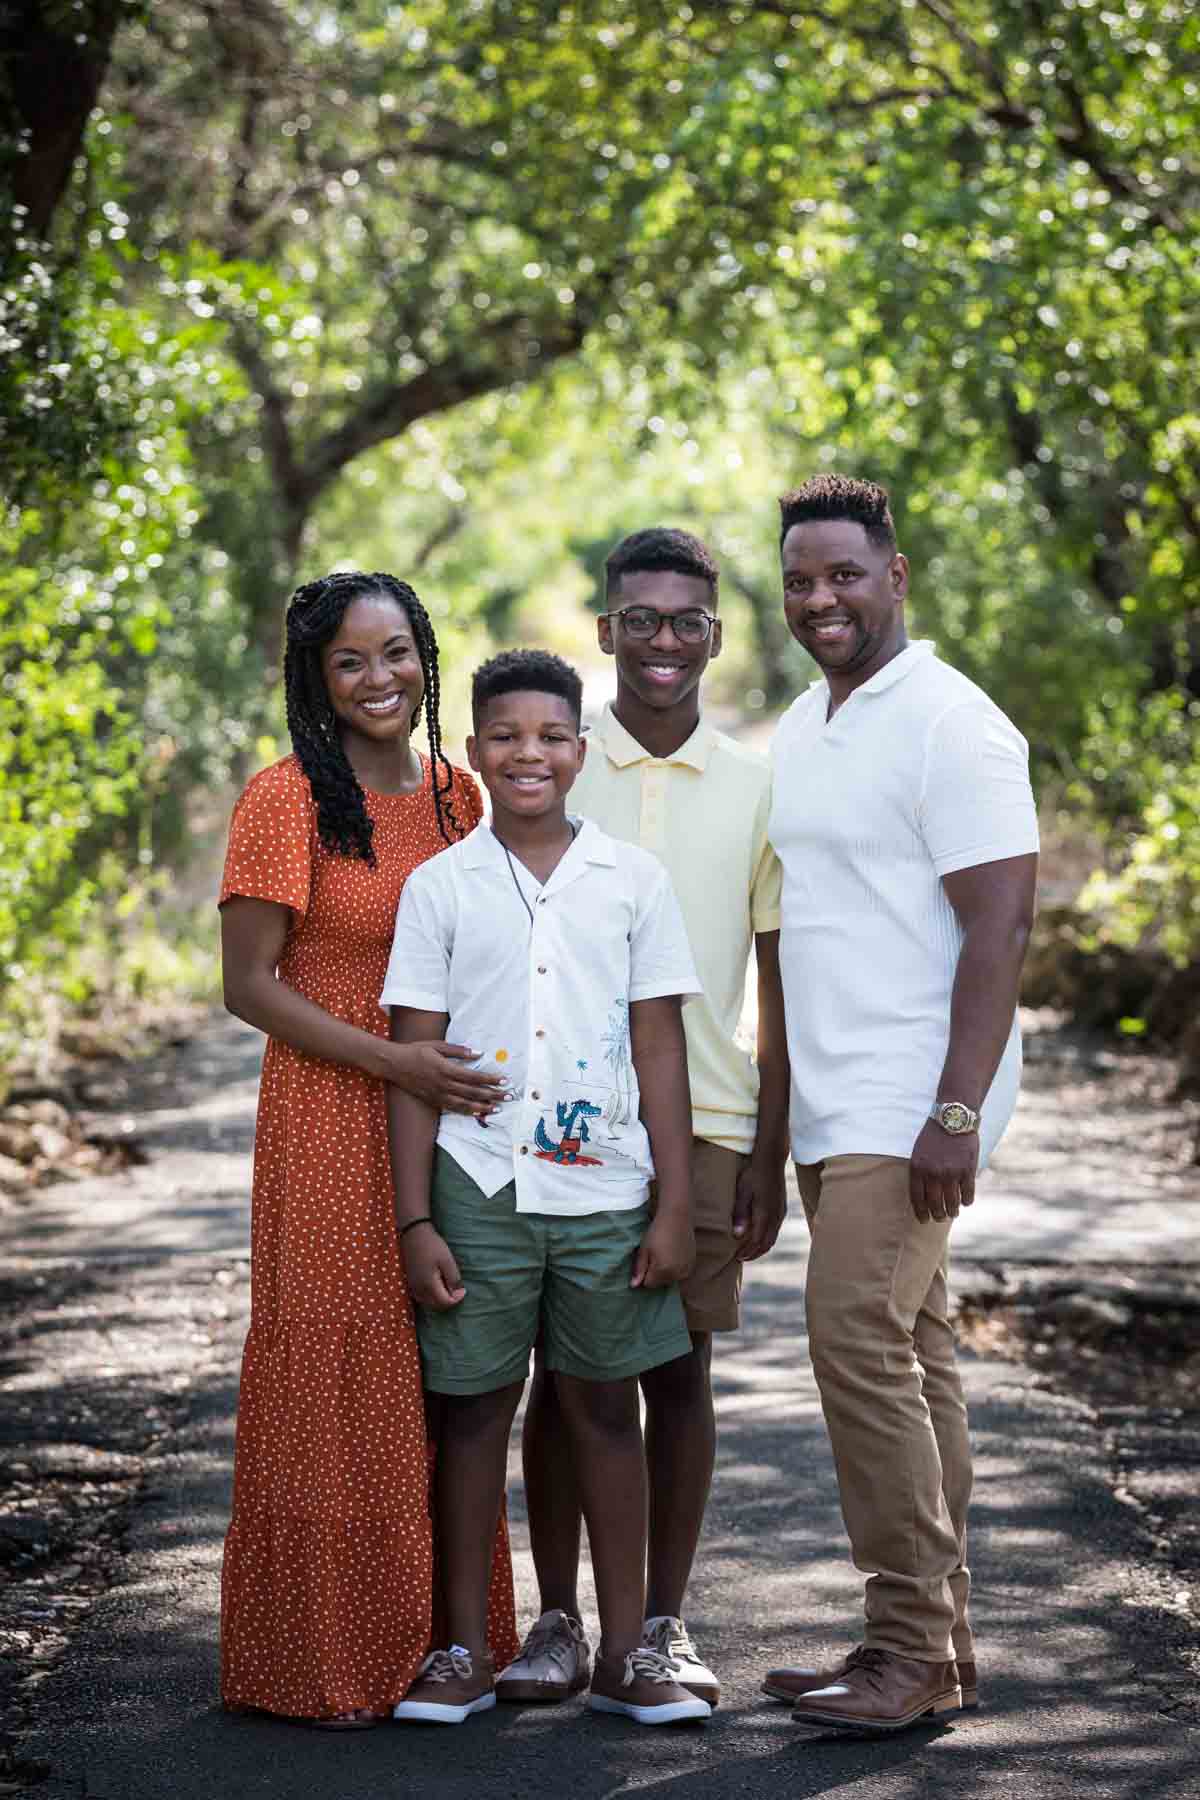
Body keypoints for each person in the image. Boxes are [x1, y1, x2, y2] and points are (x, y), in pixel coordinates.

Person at [382, 648, 712, 1728]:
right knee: (473, 1411)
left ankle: (627, 1655)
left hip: (605, 1189)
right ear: (475, 752)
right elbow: (413, 1059)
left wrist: (671, 1199)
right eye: (508, 736)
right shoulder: (441, 887)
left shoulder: (631, 880)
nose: (530, 753)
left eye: (552, 736)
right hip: (477, 1186)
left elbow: (659, 1045)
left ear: (582, 750)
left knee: (604, 1408)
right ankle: (463, 1649)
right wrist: (417, 1216)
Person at [761, 475, 1038, 1733]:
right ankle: (930, 1646)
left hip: (913, 1097)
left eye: (844, 576)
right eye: (801, 580)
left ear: (897, 574)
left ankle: (910, 1644)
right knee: (916, 1355)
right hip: (834, 1096)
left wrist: (957, 1112)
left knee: (855, 1342)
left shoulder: (952, 723)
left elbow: (1001, 924)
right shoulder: (806, 725)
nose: (821, 598)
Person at [218, 570, 518, 1727]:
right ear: (317, 679)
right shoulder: (286, 798)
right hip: (329, 1114)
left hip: (453, 1117)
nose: (380, 679)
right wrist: (391, 1062)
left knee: (448, 1370)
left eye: (396, 653)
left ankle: (451, 1643)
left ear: (425, 653)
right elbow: (248, 987)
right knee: (342, 1364)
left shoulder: (460, 795)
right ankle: (323, 1661)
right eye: (351, 662)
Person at [502, 529, 789, 1711]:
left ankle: (662, 1625)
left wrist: (768, 1145)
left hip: (707, 1122)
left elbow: (781, 975)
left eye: (689, 622)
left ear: (714, 636)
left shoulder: (759, 784)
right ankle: (558, 1622)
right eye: (641, 619)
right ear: (606, 627)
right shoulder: (554, 761)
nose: (664, 641)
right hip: (555, 1118)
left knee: (679, 1372)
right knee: (560, 1379)